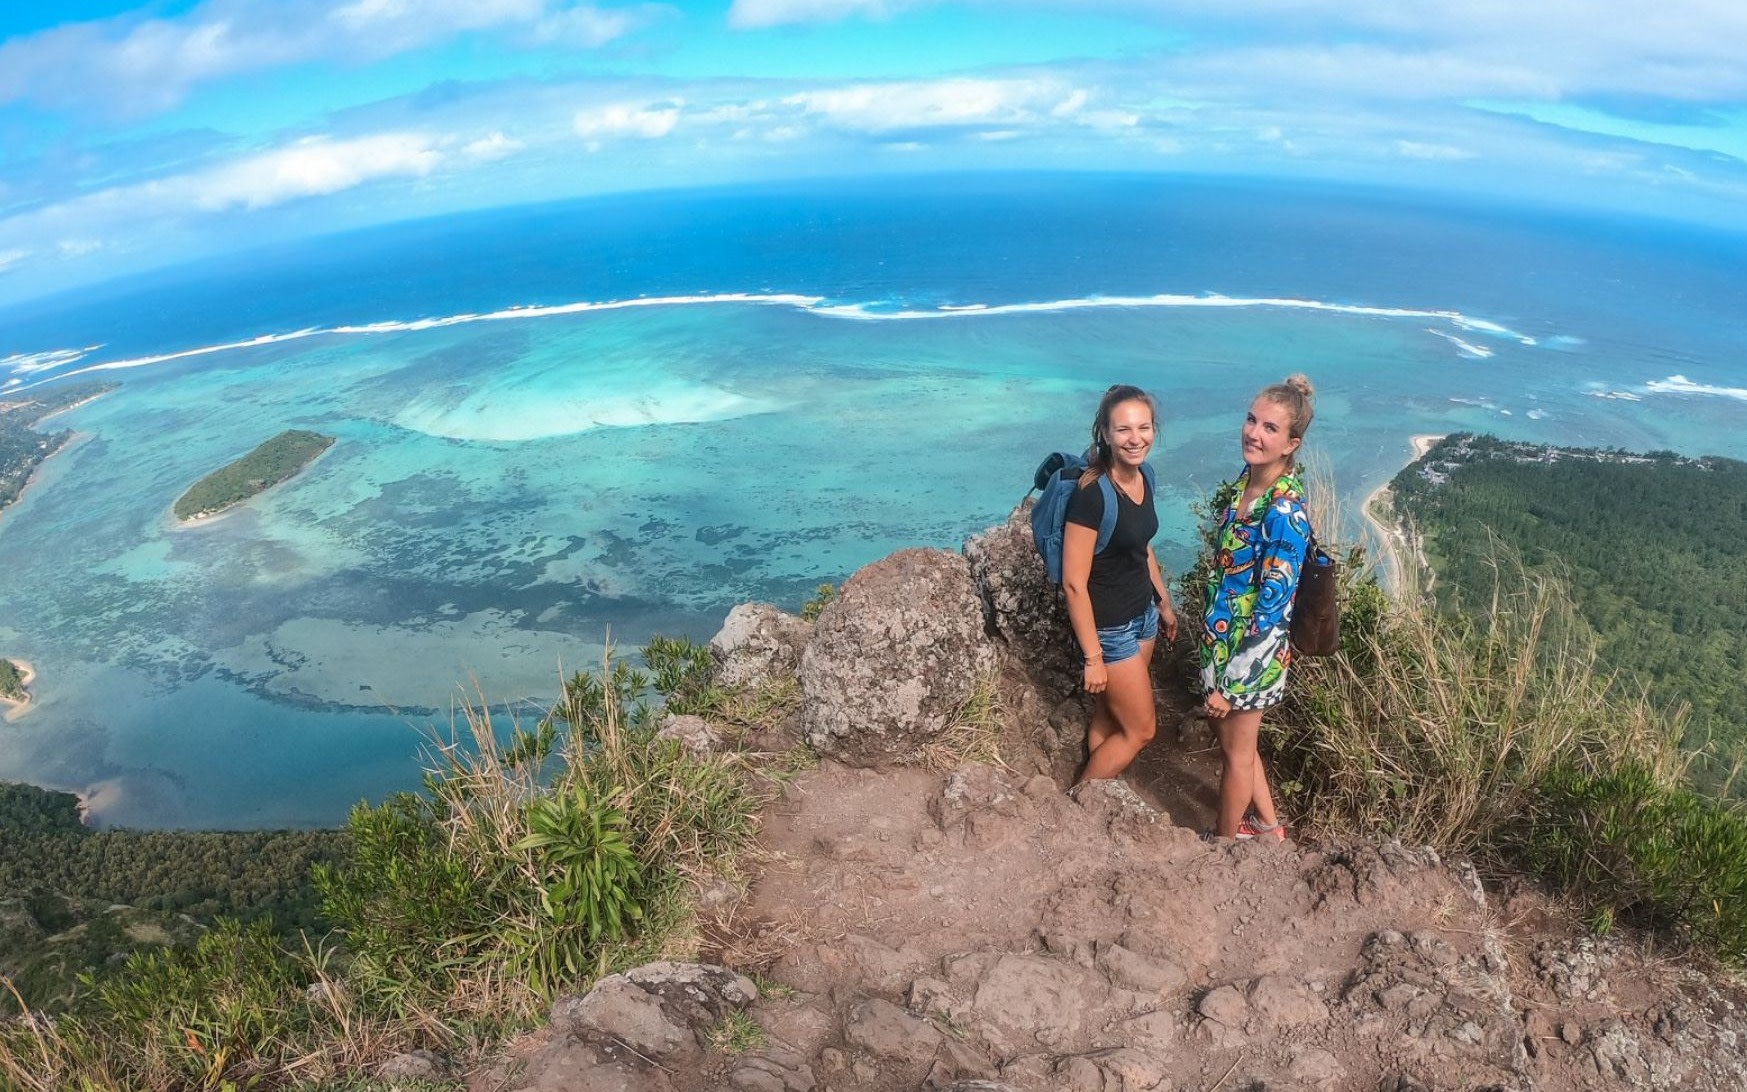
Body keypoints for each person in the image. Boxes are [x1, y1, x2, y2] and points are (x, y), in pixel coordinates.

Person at [1199, 374, 1316, 840]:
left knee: (1235, 755)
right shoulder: (1245, 489)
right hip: (1223, 642)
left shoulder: (1284, 513)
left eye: (1270, 428)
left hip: (1250, 657)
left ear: (1291, 444)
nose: (1254, 433)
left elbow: (1272, 613)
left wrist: (1231, 686)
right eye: (1251, 420)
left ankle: (1224, 843)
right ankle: (1268, 827)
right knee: (1240, 748)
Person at [1064, 384, 1179, 786]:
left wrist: (1163, 604)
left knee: (1112, 714)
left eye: (1143, 428)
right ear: (1106, 434)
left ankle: (1101, 789)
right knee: (1141, 730)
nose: (1136, 439)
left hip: (1142, 615)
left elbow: (1142, 548)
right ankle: (1076, 806)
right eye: (1124, 430)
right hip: (1110, 629)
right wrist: (1093, 657)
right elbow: (1074, 583)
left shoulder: (1146, 475)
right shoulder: (1092, 496)